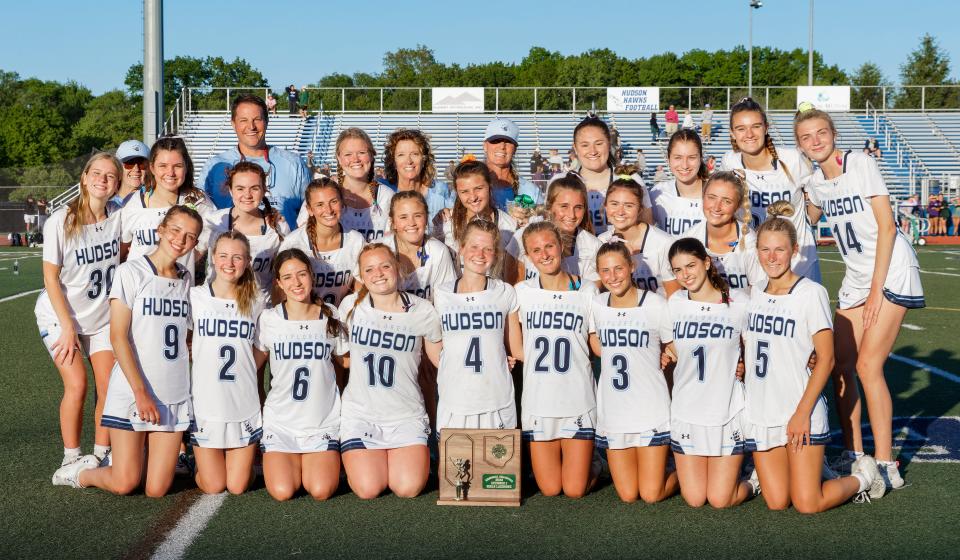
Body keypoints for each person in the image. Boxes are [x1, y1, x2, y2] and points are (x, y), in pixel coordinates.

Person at [795, 106, 924, 498]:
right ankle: (854, 452)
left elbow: (887, 226)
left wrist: (875, 292)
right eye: (806, 137)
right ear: (799, 145)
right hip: (856, 274)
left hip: (890, 267)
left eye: (821, 133)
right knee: (838, 365)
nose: (815, 141)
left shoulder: (860, 163)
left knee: (869, 366)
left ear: (833, 133)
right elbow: (808, 215)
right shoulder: (815, 180)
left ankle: (885, 462)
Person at [52, 206, 202, 496]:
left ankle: (132, 458)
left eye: (190, 236)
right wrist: (140, 392)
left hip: (172, 392)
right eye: (175, 230)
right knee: (125, 483)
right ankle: (80, 473)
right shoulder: (130, 271)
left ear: (195, 244)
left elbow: (186, 333)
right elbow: (118, 337)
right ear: (160, 230)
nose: (180, 240)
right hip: (136, 389)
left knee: (157, 489)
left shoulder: (186, 280)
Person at [744, 201, 881, 512]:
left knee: (807, 502)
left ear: (794, 251)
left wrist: (802, 413)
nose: (771, 257)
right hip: (762, 409)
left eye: (779, 250)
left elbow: (827, 358)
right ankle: (814, 467)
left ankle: (863, 477)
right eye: (765, 250)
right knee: (777, 502)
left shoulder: (811, 293)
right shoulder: (754, 293)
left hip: (798, 407)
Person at [37, 153, 123, 472]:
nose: (102, 179)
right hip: (61, 316)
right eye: (96, 173)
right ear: (84, 178)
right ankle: (71, 457)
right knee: (77, 385)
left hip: (101, 319)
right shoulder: (62, 220)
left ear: (116, 185)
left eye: (110, 175)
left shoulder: (119, 217)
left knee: (109, 385)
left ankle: (100, 454)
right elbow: (50, 277)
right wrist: (67, 327)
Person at [338, 244, 442, 499]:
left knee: (407, 488)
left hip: (405, 415)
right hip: (361, 414)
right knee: (368, 489)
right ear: (361, 276)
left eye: (385, 266)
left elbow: (442, 360)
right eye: (369, 269)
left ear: (398, 268)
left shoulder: (423, 310)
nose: (379, 273)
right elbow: (342, 359)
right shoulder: (350, 307)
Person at [664, 237, 757, 508]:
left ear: (706, 262)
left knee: (720, 499)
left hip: (725, 410)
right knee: (694, 499)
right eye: (677, 270)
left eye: (690, 265)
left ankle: (754, 480)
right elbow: (665, 346)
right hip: (687, 410)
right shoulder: (675, 303)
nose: (685, 275)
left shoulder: (738, 302)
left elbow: (757, 344)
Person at [508, 221, 599, 498]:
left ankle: (595, 463)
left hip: (577, 399)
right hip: (539, 401)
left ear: (561, 246)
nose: (544, 254)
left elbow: (596, 343)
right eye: (536, 250)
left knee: (574, 490)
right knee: (549, 489)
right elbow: (519, 349)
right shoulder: (521, 292)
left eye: (549, 246)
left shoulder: (587, 290)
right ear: (528, 256)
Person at [589, 241, 678, 504]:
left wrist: (666, 355)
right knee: (628, 495)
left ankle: (685, 470)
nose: (612, 276)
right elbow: (596, 343)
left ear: (632, 267)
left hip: (649, 406)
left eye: (618, 268)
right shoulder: (596, 304)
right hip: (615, 408)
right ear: (598, 273)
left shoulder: (655, 304)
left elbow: (674, 347)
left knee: (651, 494)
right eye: (605, 271)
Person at [256, 249, 346, 501]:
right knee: (283, 491)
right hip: (282, 423)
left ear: (312, 276)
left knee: (321, 490)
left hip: (321, 423)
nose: (296, 283)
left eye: (302, 274)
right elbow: (252, 367)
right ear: (279, 283)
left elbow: (346, 363)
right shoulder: (269, 319)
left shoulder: (330, 314)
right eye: (287, 277)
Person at [189, 231, 266, 495]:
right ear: (213, 257)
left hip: (242, 402)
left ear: (247, 261)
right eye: (223, 256)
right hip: (205, 403)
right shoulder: (195, 298)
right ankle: (196, 462)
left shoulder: (257, 301)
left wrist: (246, 369)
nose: (229, 263)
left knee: (237, 486)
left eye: (237, 257)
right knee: (213, 485)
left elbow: (262, 346)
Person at [721, 97, 821, 282]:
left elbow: (817, 202)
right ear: (732, 133)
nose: (749, 134)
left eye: (756, 126)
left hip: (799, 264)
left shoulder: (793, 160)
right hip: (756, 266)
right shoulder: (729, 162)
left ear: (766, 128)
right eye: (741, 128)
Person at [434, 220, 520, 433]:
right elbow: (435, 348)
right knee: (459, 468)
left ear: (496, 253)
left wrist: (498, 359)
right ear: (461, 248)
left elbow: (515, 348)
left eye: (488, 249)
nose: (480, 254)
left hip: (496, 400)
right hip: (455, 401)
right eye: (474, 246)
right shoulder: (441, 294)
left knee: (497, 467)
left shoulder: (505, 292)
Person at [198, 94, 309, 227]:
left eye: (257, 119)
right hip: (230, 246)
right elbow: (200, 216)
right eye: (243, 120)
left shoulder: (294, 164)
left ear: (267, 121)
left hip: (284, 245)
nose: (251, 126)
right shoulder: (214, 166)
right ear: (233, 124)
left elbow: (309, 213)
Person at [121, 136, 214, 280]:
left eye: (177, 166)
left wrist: (188, 259)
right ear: (152, 167)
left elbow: (211, 235)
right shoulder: (133, 204)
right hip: (139, 292)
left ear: (186, 167)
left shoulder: (199, 201)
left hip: (177, 292)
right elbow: (121, 250)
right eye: (163, 166)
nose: (170, 173)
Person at [199, 161, 289, 301]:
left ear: (264, 190)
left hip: (259, 308)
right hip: (216, 306)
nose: (247, 195)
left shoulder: (277, 226)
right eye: (240, 188)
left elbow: (285, 274)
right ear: (230, 190)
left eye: (254, 188)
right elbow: (191, 256)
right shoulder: (214, 221)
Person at [554, 116, 653, 234]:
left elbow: (647, 227)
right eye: (585, 145)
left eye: (599, 144)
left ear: (609, 143)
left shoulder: (631, 179)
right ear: (575, 148)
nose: (593, 151)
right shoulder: (560, 182)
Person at [297, 128, 394, 241]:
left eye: (362, 153)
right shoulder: (322, 193)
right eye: (348, 154)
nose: (355, 159)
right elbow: (301, 239)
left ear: (371, 155)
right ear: (339, 158)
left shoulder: (387, 197)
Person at [597, 166, 679, 297]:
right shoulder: (600, 242)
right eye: (614, 204)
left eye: (629, 205)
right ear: (605, 206)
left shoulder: (664, 243)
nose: (620, 211)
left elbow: (674, 297)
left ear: (640, 208)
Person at [280, 179, 364, 306]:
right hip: (305, 319)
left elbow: (360, 285)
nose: (328, 210)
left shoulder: (355, 241)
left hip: (339, 319)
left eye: (334, 202)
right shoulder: (293, 243)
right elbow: (280, 290)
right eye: (320, 204)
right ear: (309, 210)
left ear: (342, 203)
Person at [509, 174, 602, 283]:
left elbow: (593, 293)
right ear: (549, 206)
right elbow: (514, 288)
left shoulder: (593, 246)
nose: (571, 215)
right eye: (564, 206)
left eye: (578, 207)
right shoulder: (523, 236)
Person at [682, 171, 765, 292]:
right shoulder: (688, 239)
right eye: (711, 197)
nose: (716, 207)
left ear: (737, 206)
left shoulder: (750, 241)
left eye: (727, 201)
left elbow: (759, 289)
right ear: (702, 197)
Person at [443, 160, 518, 281]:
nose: (473, 197)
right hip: (456, 296)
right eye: (464, 191)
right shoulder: (446, 222)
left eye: (478, 188)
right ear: (457, 193)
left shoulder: (509, 226)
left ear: (489, 186)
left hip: (494, 296)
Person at [385, 191, 456, 302]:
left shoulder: (438, 251)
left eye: (418, 215)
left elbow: (448, 299)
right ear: (393, 222)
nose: (411, 223)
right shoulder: (379, 250)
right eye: (403, 217)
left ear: (426, 218)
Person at [381, 129, 453, 236]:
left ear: (424, 160)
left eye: (415, 154)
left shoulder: (440, 190)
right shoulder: (383, 190)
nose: (409, 161)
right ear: (393, 162)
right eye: (401, 155)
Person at [650, 130, 710, 237]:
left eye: (691, 157)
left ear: (700, 159)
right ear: (668, 159)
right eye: (678, 157)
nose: (684, 165)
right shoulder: (658, 193)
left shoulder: (717, 193)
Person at [482, 117, 542, 210]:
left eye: (508, 142)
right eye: (496, 141)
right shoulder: (469, 187)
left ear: (515, 149)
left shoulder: (531, 190)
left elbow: (541, 222)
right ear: (485, 146)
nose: (502, 146)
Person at [112, 139, 150, 205]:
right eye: (130, 163)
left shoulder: (154, 199)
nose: (136, 169)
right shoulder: (106, 200)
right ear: (118, 166)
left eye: (141, 163)